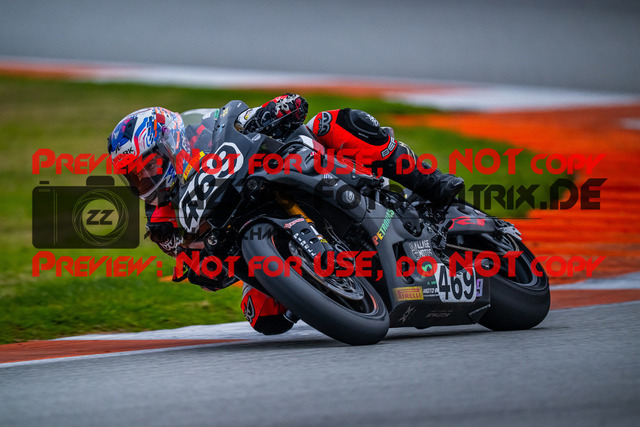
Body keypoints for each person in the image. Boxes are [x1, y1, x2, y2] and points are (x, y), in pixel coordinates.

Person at [107, 94, 463, 335]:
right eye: (136, 176)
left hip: (284, 174)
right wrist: (198, 256)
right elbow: (210, 275)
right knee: (265, 319)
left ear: (171, 144)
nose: (147, 179)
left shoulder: (202, 132)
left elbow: (263, 113)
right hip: (254, 235)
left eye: (151, 165)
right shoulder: (162, 220)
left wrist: (274, 110)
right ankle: (324, 285)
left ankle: (430, 181)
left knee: (334, 123)